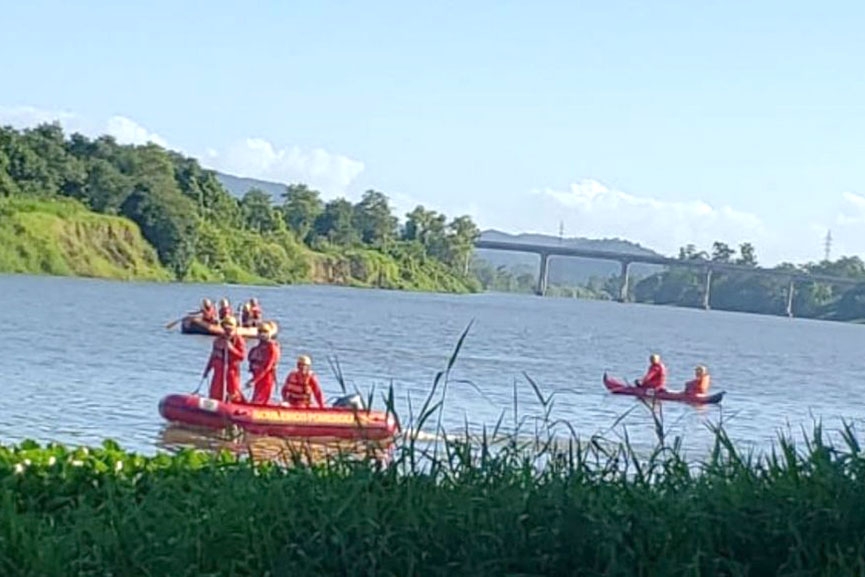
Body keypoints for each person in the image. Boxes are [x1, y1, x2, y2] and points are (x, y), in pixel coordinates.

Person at [202, 315, 247, 403]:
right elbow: (213, 355)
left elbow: (242, 356)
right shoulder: (218, 340)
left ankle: (236, 404)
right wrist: (207, 369)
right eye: (226, 329)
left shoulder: (238, 340)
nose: (228, 332)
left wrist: (231, 348)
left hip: (231, 370)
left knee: (233, 390)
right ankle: (215, 405)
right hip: (218, 369)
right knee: (216, 390)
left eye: (230, 329)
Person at [245, 321, 281, 405]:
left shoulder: (272, 348)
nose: (262, 334)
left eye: (265, 332)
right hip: (257, 376)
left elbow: (267, 367)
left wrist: (255, 380)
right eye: (260, 332)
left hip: (266, 377)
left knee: (261, 398)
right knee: (256, 396)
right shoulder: (257, 347)